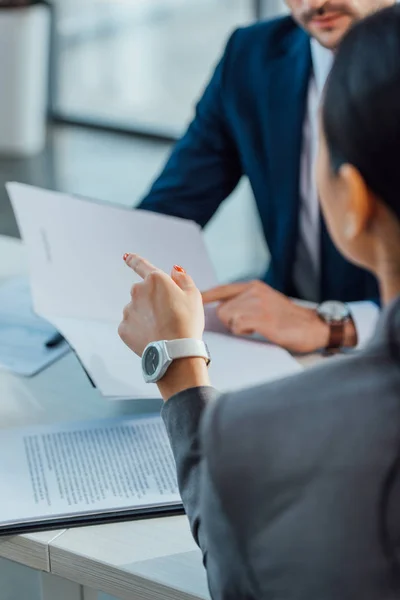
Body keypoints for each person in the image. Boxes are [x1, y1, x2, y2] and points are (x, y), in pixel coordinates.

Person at [119, 5, 400, 599]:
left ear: (348, 196)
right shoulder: (254, 54)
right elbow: (171, 204)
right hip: (272, 351)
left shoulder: (248, 435)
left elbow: (231, 576)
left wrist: (176, 362)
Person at [138, 0, 396, 354]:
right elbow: (173, 203)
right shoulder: (252, 55)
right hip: (279, 340)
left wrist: (338, 324)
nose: (314, 4)